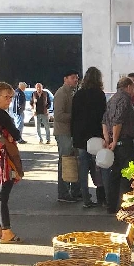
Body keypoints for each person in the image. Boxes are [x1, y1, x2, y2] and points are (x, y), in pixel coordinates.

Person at [0, 82, 24, 243]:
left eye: (10, 97)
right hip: (5, 158)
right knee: (2, 196)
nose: (9, 100)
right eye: (6, 97)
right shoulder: (1, 114)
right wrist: (12, 134)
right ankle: (6, 232)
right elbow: (16, 134)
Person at [71, 66, 108, 209]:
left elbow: (73, 117)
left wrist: (74, 136)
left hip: (80, 137)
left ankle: (86, 198)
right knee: (100, 167)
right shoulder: (100, 94)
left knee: (83, 169)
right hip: (96, 136)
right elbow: (102, 117)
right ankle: (103, 197)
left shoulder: (78, 95)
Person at [101, 77, 134, 214]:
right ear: (128, 86)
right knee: (126, 175)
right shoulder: (124, 99)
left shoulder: (112, 99)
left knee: (114, 175)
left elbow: (104, 121)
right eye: (133, 87)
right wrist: (115, 140)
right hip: (123, 142)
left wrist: (107, 139)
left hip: (114, 142)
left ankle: (111, 206)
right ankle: (123, 207)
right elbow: (118, 121)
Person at [53, 69, 80, 202]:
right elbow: (58, 115)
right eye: (73, 77)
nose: (76, 80)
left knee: (73, 162)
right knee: (64, 162)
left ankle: (74, 191)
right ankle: (63, 193)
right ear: (65, 79)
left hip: (70, 132)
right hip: (63, 132)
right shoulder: (61, 93)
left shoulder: (73, 92)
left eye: (77, 77)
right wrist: (75, 117)